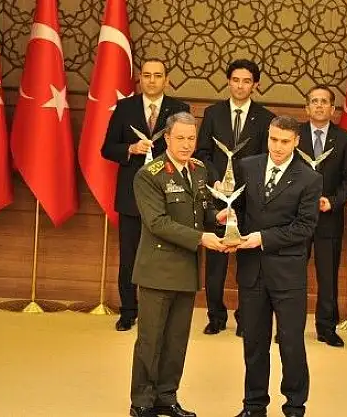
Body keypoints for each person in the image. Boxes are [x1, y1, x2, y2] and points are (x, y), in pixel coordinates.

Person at [128, 112, 228, 417]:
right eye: (180, 138)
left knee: (176, 341)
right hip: (157, 270)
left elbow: (203, 213)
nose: (186, 144)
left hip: (186, 269)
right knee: (151, 340)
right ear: (167, 138)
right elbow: (157, 223)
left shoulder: (199, 170)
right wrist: (202, 238)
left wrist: (219, 218)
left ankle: (166, 397)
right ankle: (142, 401)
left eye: (191, 138)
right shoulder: (149, 175)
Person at [231, 116, 322, 417]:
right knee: (254, 343)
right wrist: (227, 218)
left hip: (288, 275)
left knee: (291, 344)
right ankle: (253, 405)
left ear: (296, 142)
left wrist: (262, 238)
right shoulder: (248, 166)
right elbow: (238, 209)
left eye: (285, 141)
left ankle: (294, 406)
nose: (278, 147)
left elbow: (305, 227)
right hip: (252, 271)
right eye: (273, 140)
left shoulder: (310, 178)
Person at [101, 58, 190, 331]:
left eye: (158, 75)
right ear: (140, 79)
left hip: (168, 194)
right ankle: (128, 311)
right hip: (131, 195)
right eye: (147, 75)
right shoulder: (125, 108)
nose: (152, 80)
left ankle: (162, 312)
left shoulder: (180, 109)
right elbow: (107, 148)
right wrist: (130, 149)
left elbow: (188, 148)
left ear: (167, 80)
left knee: (165, 255)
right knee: (129, 255)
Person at [195, 58, 276, 337]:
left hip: (249, 200)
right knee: (215, 265)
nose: (240, 86)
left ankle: (245, 318)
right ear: (228, 82)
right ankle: (215, 317)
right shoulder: (212, 113)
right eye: (236, 80)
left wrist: (246, 185)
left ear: (256, 85)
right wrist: (216, 179)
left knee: (248, 265)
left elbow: (266, 159)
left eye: (246, 81)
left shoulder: (265, 118)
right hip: (217, 198)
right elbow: (202, 152)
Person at [296, 85, 347, 347]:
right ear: (307, 107)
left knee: (328, 275)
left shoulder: (344, 139)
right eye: (314, 101)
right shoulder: (293, 135)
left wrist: (332, 201)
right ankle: (290, 327)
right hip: (296, 217)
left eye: (324, 102)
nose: (319, 105)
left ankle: (326, 328)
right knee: (293, 275)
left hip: (328, 217)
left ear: (333, 109)